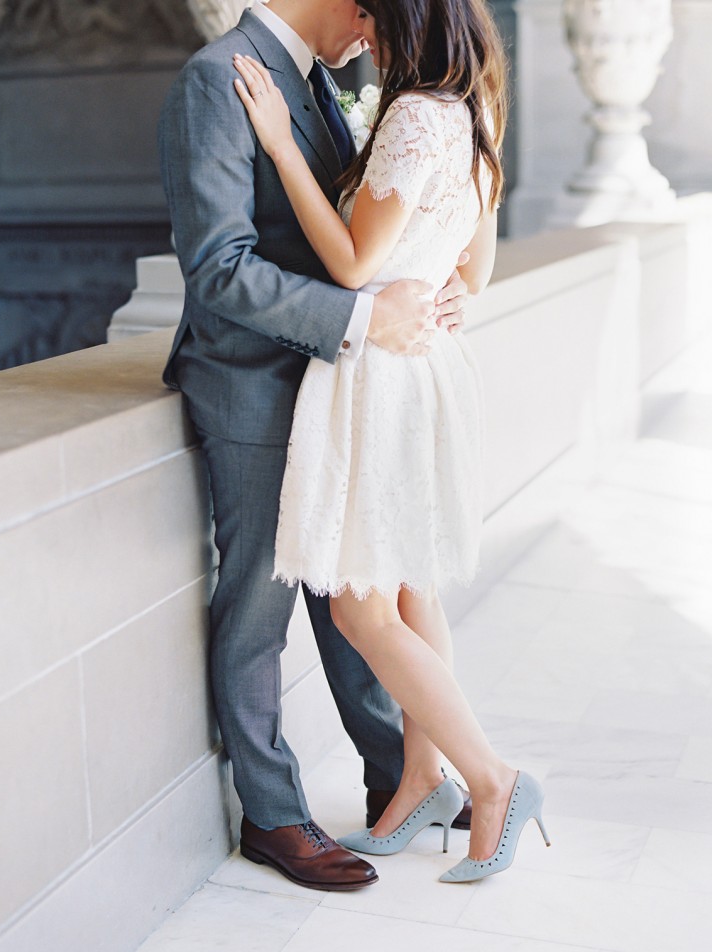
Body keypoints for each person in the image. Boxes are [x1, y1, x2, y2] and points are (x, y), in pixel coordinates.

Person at [158, 0, 473, 894]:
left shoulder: (322, 85)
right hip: (252, 385)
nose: (376, 41)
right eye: (372, 21)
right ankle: (273, 814)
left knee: (355, 588)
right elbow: (219, 265)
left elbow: (366, 231)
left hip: (334, 386)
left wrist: (442, 284)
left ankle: (398, 777)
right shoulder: (214, 80)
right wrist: (366, 317)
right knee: (258, 602)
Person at [232, 0, 550, 881]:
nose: (365, 32)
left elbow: (352, 266)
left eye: (376, 16)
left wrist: (282, 145)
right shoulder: (476, 111)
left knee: (359, 607)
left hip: (384, 377)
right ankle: (420, 779)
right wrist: (436, 278)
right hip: (429, 370)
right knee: (411, 593)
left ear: (409, 21)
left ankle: (493, 780)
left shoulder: (414, 114)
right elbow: (475, 272)